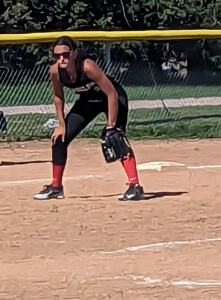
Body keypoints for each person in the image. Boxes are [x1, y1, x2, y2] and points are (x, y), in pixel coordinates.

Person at [33, 36, 144, 201]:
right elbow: (58, 97)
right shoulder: (55, 71)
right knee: (59, 139)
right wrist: (61, 124)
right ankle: (56, 187)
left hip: (112, 98)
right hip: (88, 101)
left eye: (66, 54)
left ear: (74, 53)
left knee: (116, 137)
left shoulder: (87, 66)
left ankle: (135, 186)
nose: (61, 58)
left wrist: (111, 126)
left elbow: (111, 92)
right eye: (57, 56)